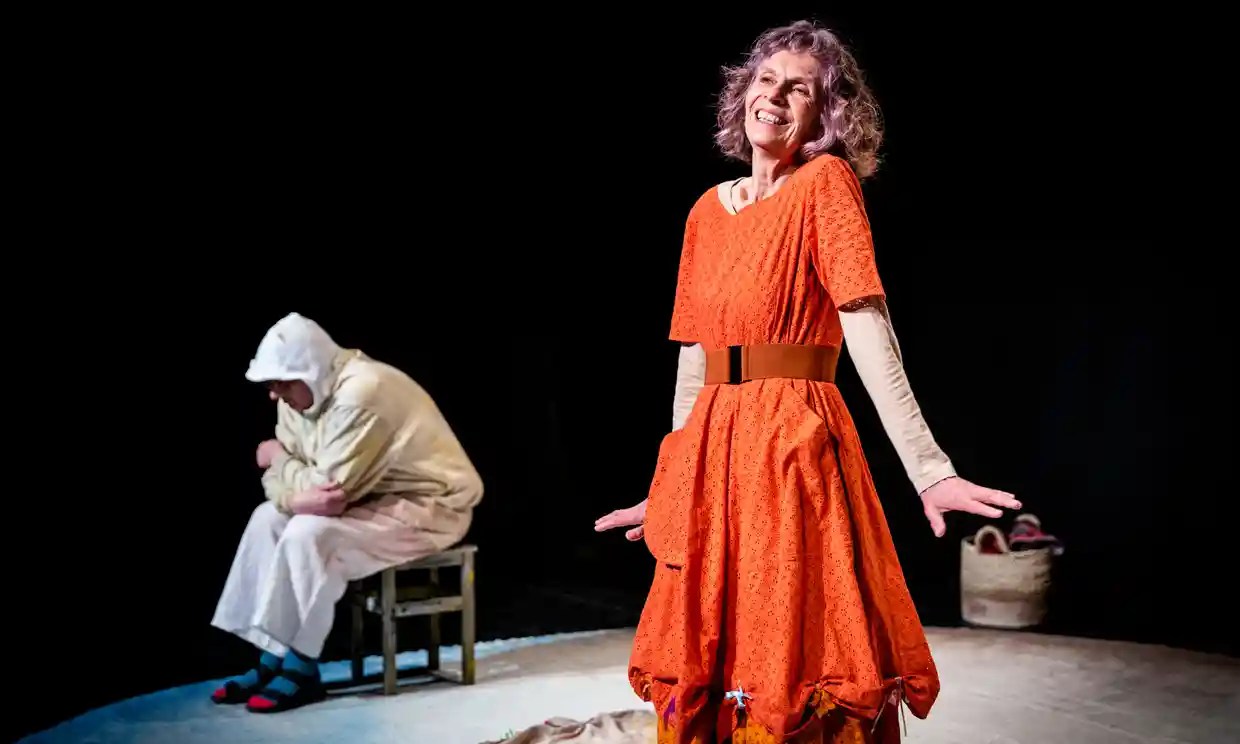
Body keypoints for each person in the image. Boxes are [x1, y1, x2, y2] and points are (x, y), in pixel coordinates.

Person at [593, 20, 1021, 743]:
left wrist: (929, 469)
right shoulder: (705, 212)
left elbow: (867, 326)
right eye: (766, 80)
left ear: (827, 115)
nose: (775, 96)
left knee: (788, 636)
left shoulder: (825, 184)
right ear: (742, 95)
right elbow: (694, 358)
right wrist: (672, 481)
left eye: (799, 88)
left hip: (792, 437)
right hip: (715, 445)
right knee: (710, 636)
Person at [210, 312, 484, 713]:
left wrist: (280, 461)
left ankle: (301, 667)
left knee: (310, 534)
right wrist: (291, 490)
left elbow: (328, 493)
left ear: (309, 370)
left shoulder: (362, 392)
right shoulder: (298, 396)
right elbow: (286, 483)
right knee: (266, 519)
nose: (273, 395)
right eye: (271, 384)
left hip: (429, 508)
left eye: (281, 382)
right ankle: (272, 656)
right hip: (368, 499)